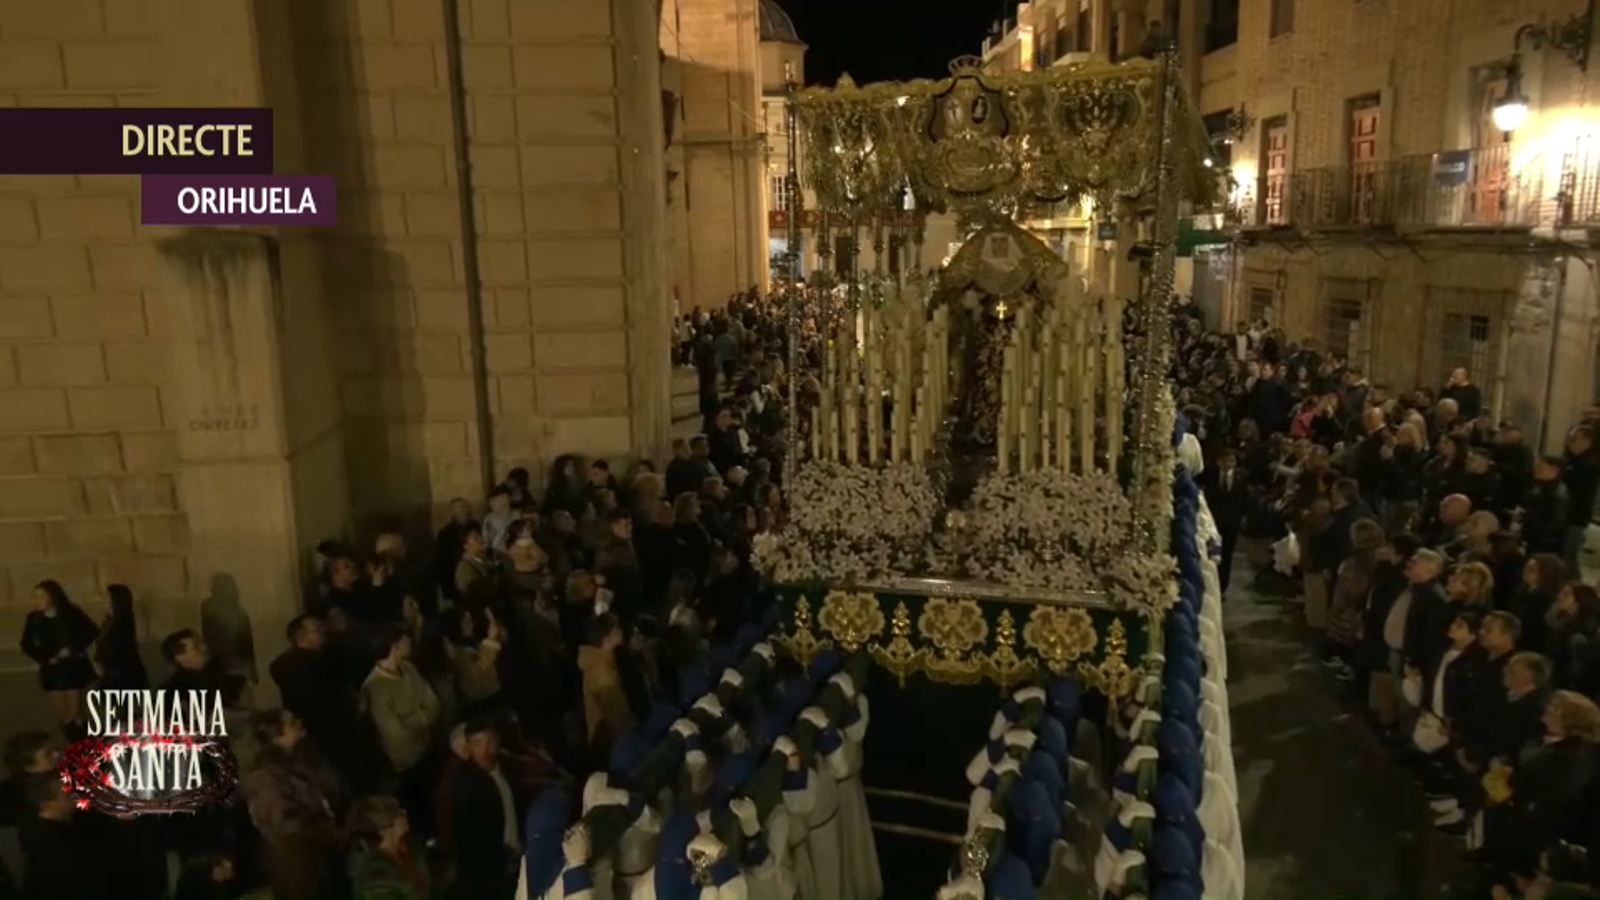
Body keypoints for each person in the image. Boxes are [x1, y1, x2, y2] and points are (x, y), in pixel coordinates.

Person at [241, 709, 345, 900]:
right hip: (297, 865)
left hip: (320, 856)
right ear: (276, 737)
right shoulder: (263, 778)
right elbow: (281, 823)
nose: (298, 722)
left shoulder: (298, 759)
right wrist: (322, 825)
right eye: (290, 722)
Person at [363, 628, 442, 837]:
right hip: (404, 763)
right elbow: (395, 733)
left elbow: (433, 703)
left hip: (426, 751)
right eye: (406, 643)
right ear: (394, 647)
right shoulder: (375, 687)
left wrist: (412, 719)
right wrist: (422, 716)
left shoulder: (409, 669)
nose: (411, 647)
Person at [444, 716, 519, 900]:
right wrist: (505, 856)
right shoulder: (467, 787)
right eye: (477, 743)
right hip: (489, 874)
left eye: (489, 741)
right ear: (468, 747)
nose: (484, 749)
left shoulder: (509, 768)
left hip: (515, 860)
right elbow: (471, 840)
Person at [19, 580, 99, 736]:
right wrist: (47, 657)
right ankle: (72, 744)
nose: (37, 600)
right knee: (64, 715)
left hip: (73, 668)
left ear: (53, 596)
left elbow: (91, 631)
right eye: (36, 596)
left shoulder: (71, 613)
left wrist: (72, 649)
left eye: (42, 596)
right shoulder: (34, 619)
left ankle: (82, 744)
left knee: (76, 713)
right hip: (52, 670)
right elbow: (27, 644)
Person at [347, 795, 431, 900]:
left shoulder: (402, 855)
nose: (404, 813)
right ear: (387, 827)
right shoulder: (376, 873)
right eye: (399, 813)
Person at [577, 613, 633, 768]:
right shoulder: (603, 673)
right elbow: (616, 715)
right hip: (609, 742)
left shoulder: (603, 660)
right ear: (606, 639)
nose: (621, 631)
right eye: (616, 630)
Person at [93, 584, 148, 691]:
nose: (104, 600)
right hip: (112, 673)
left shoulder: (123, 622)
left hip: (121, 676)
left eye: (107, 597)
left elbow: (118, 648)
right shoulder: (110, 620)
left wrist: (103, 664)